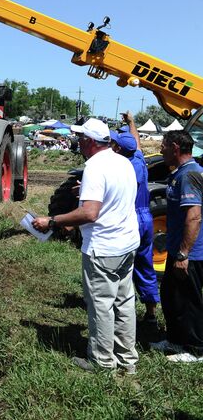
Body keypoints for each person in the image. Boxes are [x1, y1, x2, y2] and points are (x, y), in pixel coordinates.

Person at [33, 118, 139, 373]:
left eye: (81, 139)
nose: (78, 143)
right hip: (127, 244)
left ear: (90, 142)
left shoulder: (93, 167)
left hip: (104, 248)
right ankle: (127, 360)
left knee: (101, 306)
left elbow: (90, 213)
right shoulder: (123, 162)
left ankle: (102, 362)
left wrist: (52, 221)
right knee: (124, 303)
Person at [152, 130, 203, 358]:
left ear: (175, 147)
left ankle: (195, 349)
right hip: (176, 249)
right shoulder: (180, 173)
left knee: (189, 300)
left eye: (163, 145)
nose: (160, 149)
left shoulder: (190, 175)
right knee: (171, 296)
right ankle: (175, 340)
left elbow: (194, 217)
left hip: (190, 253)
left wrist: (183, 254)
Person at [109, 125, 159, 326]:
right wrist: (131, 122)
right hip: (146, 217)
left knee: (119, 264)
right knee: (146, 264)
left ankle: (118, 310)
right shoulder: (139, 158)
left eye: (113, 144)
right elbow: (137, 142)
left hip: (132, 217)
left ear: (119, 149)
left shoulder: (125, 167)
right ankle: (151, 313)